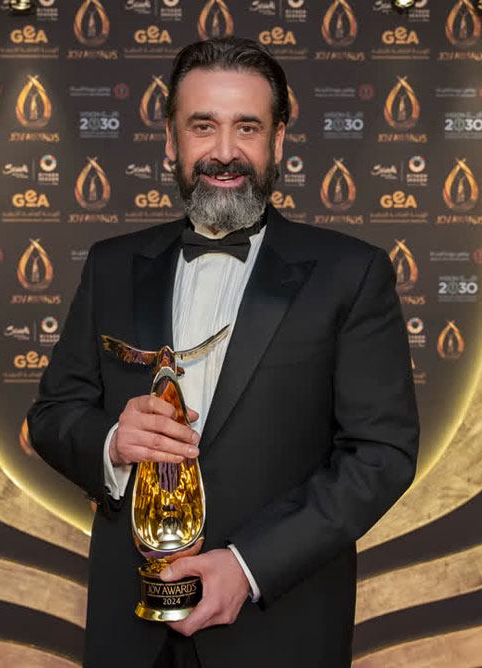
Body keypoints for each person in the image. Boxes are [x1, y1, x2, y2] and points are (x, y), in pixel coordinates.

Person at [27, 36, 419, 668]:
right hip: (128, 633)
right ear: (171, 140)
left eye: (248, 127)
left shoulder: (352, 274)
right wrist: (113, 444)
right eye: (203, 126)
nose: (225, 152)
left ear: (278, 141)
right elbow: (52, 416)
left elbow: (380, 454)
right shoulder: (111, 266)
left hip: (278, 631)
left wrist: (247, 565)